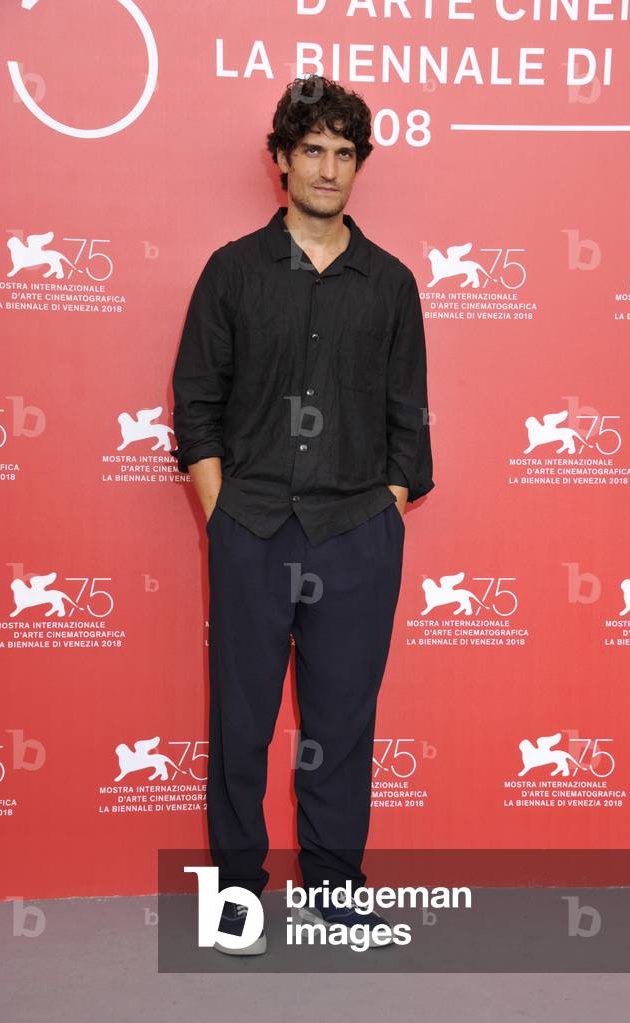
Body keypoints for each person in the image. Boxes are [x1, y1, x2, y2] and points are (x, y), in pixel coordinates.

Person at [170, 74, 434, 956]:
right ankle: (238, 889)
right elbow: (196, 405)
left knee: (342, 723)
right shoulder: (232, 272)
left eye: (343, 153)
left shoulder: (389, 283)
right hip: (250, 524)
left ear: (359, 165)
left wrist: (384, 508)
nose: (328, 168)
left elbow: (408, 416)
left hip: (355, 532)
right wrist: (222, 516)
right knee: (239, 718)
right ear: (280, 161)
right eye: (311, 150)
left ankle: (334, 888)